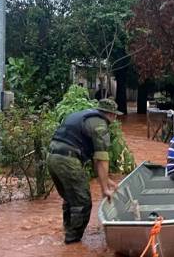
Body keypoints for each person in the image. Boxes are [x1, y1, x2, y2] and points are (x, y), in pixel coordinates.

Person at [47, 98, 122, 243]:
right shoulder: (100, 124)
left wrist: (106, 179)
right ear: (111, 114)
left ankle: (67, 230)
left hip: (52, 157)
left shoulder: (83, 115)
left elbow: (95, 161)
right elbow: (101, 159)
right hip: (67, 159)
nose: (115, 118)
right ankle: (72, 241)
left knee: (70, 198)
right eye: (115, 115)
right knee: (83, 202)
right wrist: (105, 189)